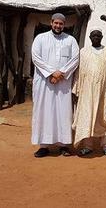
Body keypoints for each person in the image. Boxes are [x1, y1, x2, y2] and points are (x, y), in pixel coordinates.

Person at [31, 13, 80, 158]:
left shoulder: (70, 40)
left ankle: (63, 145)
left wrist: (61, 74)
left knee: (63, 112)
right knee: (44, 111)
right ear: (51, 22)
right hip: (44, 83)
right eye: (56, 23)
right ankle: (43, 146)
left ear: (64, 25)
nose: (58, 26)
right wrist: (51, 73)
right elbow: (36, 58)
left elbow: (75, 59)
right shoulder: (40, 38)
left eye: (61, 24)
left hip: (63, 83)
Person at [72, 29, 106, 157]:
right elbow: (79, 72)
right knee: (87, 117)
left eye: (98, 35)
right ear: (89, 37)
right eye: (93, 35)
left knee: (104, 117)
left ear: (102, 37)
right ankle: (88, 146)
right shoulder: (83, 52)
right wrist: (77, 89)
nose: (96, 37)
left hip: (104, 92)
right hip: (87, 92)